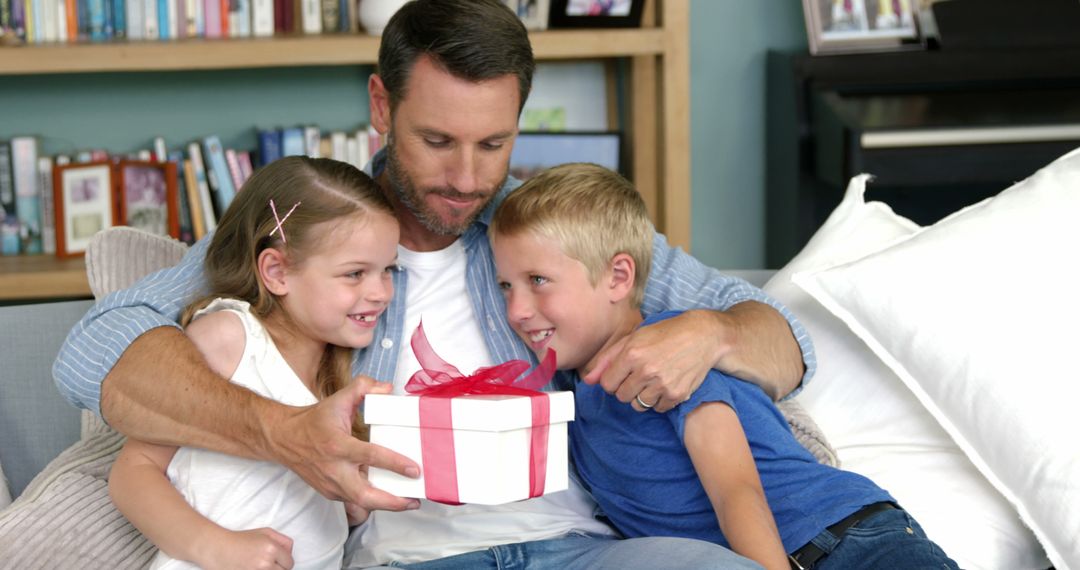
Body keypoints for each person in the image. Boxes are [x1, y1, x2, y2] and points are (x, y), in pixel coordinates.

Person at [55, 0, 815, 567]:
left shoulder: (548, 226)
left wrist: (713, 331)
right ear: (381, 107)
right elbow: (95, 351)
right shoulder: (313, 233)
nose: (467, 178)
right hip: (407, 556)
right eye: (437, 141)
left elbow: (789, 344)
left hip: (581, 546)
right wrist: (279, 433)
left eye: (494, 143)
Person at [489, 162, 959, 570]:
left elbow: (736, 490)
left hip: (844, 540)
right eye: (506, 286)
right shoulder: (570, 395)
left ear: (617, 277)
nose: (517, 310)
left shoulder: (671, 354)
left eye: (538, 281)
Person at [109, 156, 401, 569]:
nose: (381, 292)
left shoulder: (337, 371)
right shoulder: (229, 338)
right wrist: (217, 547)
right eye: (355, 274)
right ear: (277, 271)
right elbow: (132, 472)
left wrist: (345, 509)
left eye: (388, 269)